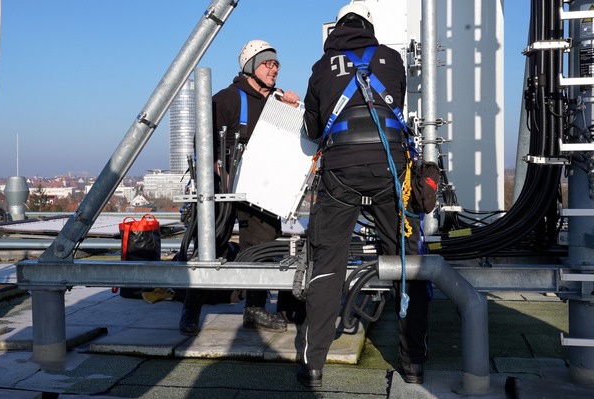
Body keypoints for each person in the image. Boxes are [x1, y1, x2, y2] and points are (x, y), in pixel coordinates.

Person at [296, 4, 430, 387]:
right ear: (369, 28)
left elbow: (310, 133)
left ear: (336, 30)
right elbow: (396, 109)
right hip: (392, 170)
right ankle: (414, 363)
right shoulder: (391, 59)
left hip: (340, 174)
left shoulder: (322, 68)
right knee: (408, 261)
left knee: (327, 262)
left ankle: (313, 364)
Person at [178, 40, 301, 336]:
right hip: (223, 187)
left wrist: (294, 107)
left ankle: (254, 310)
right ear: (250, 68)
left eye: (276, 64)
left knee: (260, 247)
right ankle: (191, 309)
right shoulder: (228, 99)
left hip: (260, 187)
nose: (274, 69)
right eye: (267, 63)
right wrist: (215, 167)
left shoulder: (278, 101)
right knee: (211, 244)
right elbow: (202, 141)